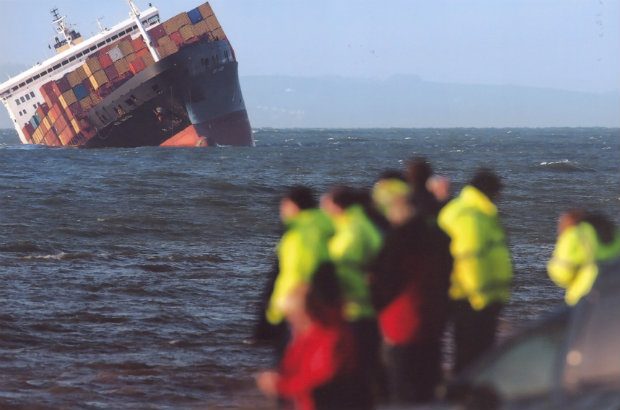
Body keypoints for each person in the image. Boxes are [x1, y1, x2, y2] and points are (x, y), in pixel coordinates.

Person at [371, 195, 452, 403]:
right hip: (432, 321)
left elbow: (387, 283)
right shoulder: (438, 239)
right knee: (427, 387)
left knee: (402, 388)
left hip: (401, 324)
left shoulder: (398, 241)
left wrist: (375, 308)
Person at [256, 263, 368, 410]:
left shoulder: (331, 336)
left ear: (307, 313)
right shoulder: (306, 336)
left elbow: (323, 376)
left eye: (293, 316)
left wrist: (282, 385)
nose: (291, 321)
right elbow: (293, 367)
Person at [438, 168, 513, 373]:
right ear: (490, 192)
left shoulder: (472, 210)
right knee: (473, 353)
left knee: (471, 351)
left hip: (472, 296)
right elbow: (470, 260)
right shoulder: (471, 216)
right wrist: (481, 299)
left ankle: (465, 391)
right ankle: (464, 395)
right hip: (473, 298)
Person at [321, 186, 384, 403]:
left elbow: (339, 268)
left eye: (326, 204)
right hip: (363, 309)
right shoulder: (359, 225)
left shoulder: (352, 231)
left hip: (355, 311)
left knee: (355, 373)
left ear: (338, 206)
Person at [264, 186, 334, 346]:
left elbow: (296, 272)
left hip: (297, 309)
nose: (281, 211)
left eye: (284, 206)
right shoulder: (321, 227)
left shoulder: (299, 235)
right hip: (306, 307)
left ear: (293, 206)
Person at [548, 210, 620, 306]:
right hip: (615, 297)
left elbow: (562, 273)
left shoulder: (574, 235)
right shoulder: (615, 233)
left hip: (585, 298)